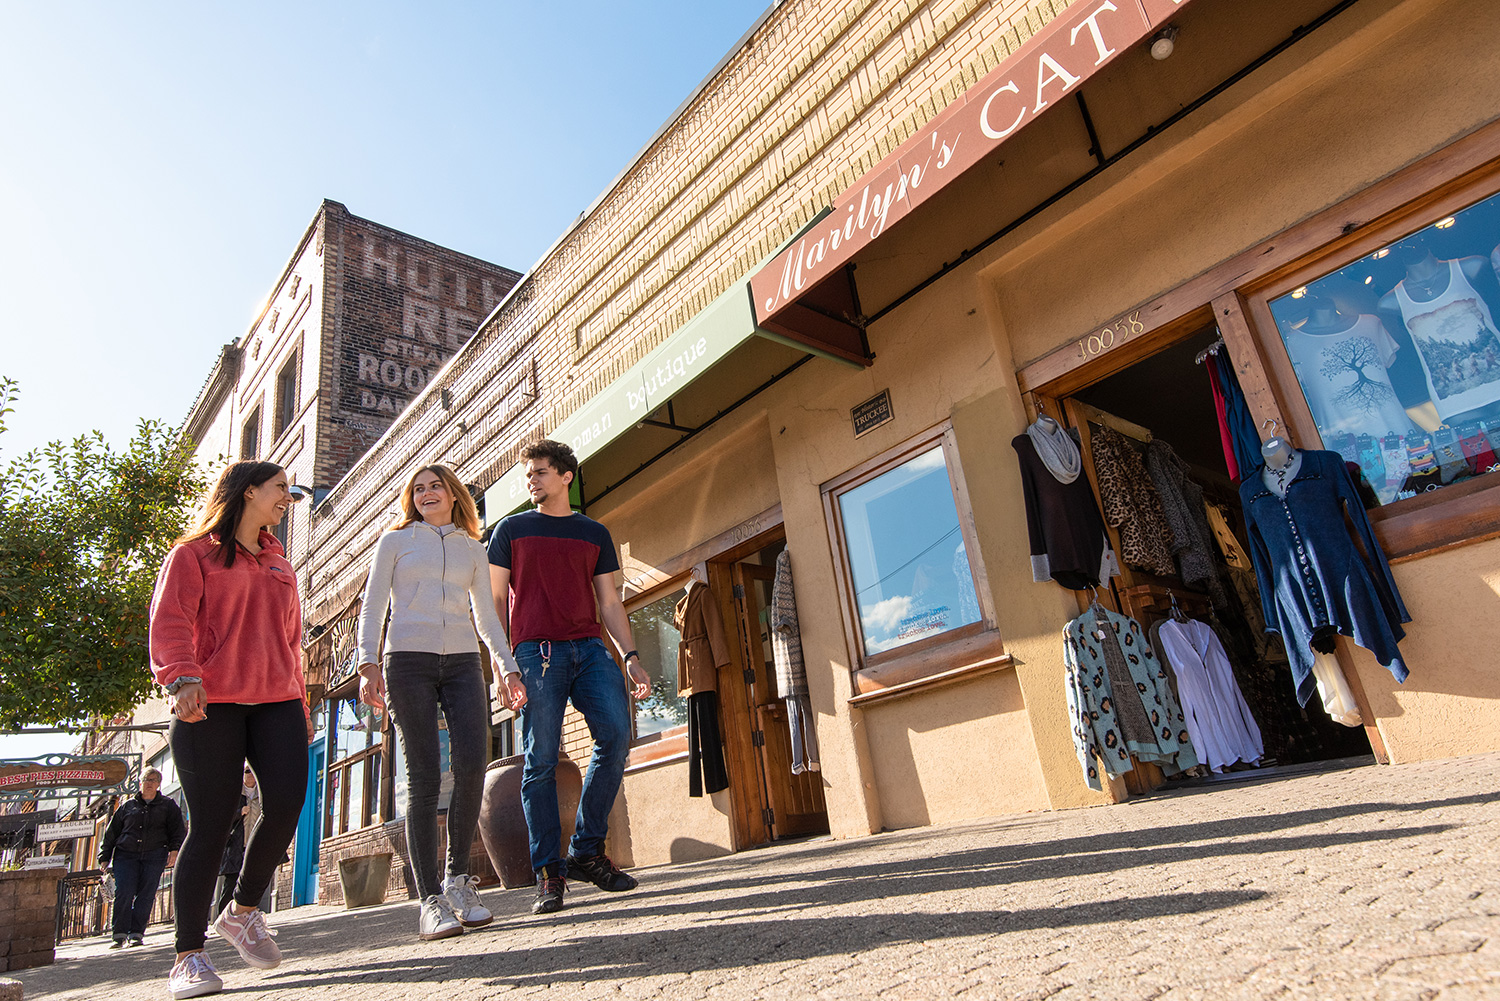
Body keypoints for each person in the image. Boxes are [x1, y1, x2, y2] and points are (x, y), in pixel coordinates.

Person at [149, 461, 313, 999]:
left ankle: (242, 911)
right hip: (210, 701)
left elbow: (291, 640)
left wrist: (301, 704)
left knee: (287, 803)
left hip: (277, 700)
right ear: (248, 492)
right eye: (280, 488)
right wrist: (182, 678)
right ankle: (188, 956)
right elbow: (171, 620)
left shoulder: (279, 561)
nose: (286, 497)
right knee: (214, 823)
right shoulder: (193, 554)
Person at [355, 463, 527, 941]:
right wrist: (367, 662)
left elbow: (486, 616)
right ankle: (429, 899)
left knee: (473, 763)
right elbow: (373, 605)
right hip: (407, 661)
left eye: (436, 486)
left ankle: (458, 881)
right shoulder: (395, 542)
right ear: (411, 499)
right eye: (418, 488)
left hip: (462, 662)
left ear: (453, 494)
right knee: (425, 775)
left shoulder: (473, 547)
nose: (427, 493)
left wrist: (507, 666)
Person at [487, 439, 651, 915]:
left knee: (615, 736)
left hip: (590, 649)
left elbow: (609, 601)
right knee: (540, 760)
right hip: (534, 654)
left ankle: (586, 850)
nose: (531, 480)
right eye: (528, 474)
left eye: (540, 472)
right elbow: (494, 602)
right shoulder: (510, 530)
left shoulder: (593, 533)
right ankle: (549, 873)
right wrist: (501, 665)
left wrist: (631, 656)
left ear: (565, 477)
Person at [98, 768, 185, 948]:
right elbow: (111, 833)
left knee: (146, 894)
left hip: (154, 854)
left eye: (153, 780)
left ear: (159, 784)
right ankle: (119, 935)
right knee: (124, 892)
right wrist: (104, 856)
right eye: (146, 779)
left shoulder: (168, 806)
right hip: (126, 855)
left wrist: (174, 850)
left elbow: (177, 830)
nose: (149, 783)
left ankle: (136, 933)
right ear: (140, 782)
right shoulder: (127, 806)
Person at [213, 767, 268, 922]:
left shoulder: (262, 794)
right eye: (246, 771)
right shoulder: (234, 794)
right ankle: (223, 918)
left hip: (254, 845)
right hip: (235, 845)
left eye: (252, 771)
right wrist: (239, 812)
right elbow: (220, 818)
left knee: (251, 882)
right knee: (231, 883)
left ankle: (247, 917)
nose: (250, 774)